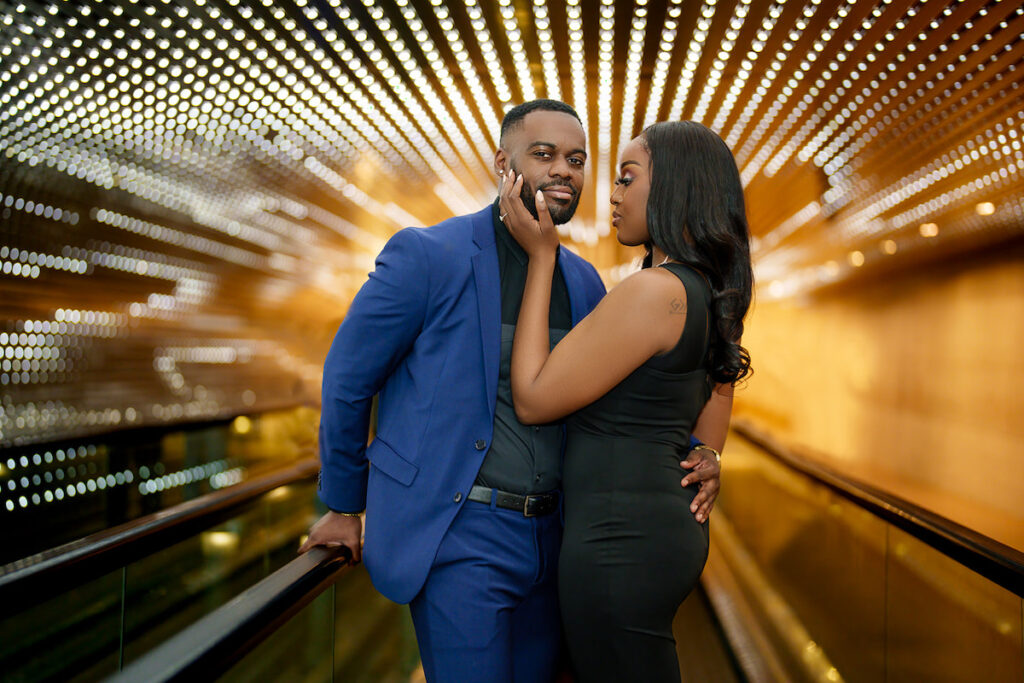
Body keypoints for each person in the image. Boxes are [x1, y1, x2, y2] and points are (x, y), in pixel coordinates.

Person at [300, 101, 723, 683]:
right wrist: (345, 505)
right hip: (460, 539)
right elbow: (348, 378)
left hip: (556, 543)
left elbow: (623, 392)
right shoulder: (428, 256)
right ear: (504, 163)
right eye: (543, 154)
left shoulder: (584, 281)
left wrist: (704, 451)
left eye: (576, 160)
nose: (563, 171)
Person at [499, 120, 752, 682]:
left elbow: (535, 399)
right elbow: (716, 390)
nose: (612, 193)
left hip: (621, 542)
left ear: (674, 190)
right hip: (654, 532)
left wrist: (543, 259)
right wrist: (710, 455)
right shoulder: (703, 287)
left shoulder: (655, 292)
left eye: (627, 178)